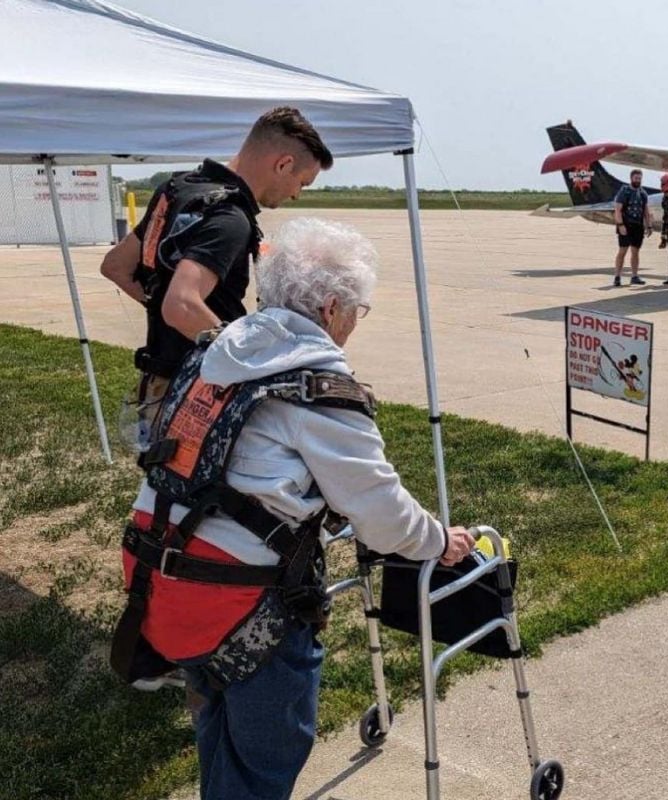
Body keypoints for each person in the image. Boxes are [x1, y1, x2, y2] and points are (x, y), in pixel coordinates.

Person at [114, 218, 476, 799]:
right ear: (333, 308)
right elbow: (382, 513)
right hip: (238, 604)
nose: (357, 322)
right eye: (360, 309)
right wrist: (440, 542)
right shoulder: (318, 387)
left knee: (216, 726)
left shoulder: (217, 352)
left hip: (159, 577)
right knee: (264, 764)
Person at [100, 106, 333, 446]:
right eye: (302, 182)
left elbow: (116, 266)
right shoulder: (230, 218)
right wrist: (250, 362)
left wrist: (159, 299)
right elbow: (181, 306)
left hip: (157, 380)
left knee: (164, 492)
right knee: (202, 494)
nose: (297, 194)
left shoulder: (177, 189)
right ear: (283, 164)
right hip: (199, 389)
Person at [613, 169, 650, 286]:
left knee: (635, 252)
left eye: (639, 178)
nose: (638, 180)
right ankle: (617, 276)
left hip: (638, 226)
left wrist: (648, 226)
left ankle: (634, 276)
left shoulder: (643, 193)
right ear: (631, 178)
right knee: (622, 251)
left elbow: (646, 211)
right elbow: (617, 210)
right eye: (636, 178)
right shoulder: (624, 191)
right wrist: (620, 225)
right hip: (626, 225)